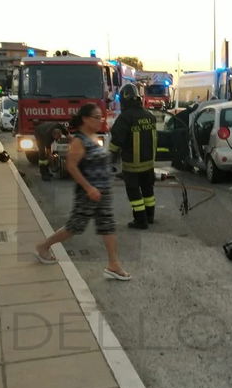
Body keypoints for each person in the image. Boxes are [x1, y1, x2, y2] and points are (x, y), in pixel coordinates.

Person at [34, 103, 130, 280]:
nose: (100, 120)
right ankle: (43, 246)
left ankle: (113, 265)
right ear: (85, 119)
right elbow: (71, 166)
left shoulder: (93, 137)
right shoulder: (79, 140)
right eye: (96, 117)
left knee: (107, 226)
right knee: (74, 227)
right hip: (88, 193)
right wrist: (89, 188)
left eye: (101, 117)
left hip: (102, 192)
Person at [109, 83, 158, 230]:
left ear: (124, 100)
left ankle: (140, 220)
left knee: (134, 192)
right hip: (149, 164)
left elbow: (116, 142)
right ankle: (150, 216)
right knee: (148, 190)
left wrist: (110, 161)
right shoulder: (149, 116)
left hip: (132, 165)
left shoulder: (125, 118)